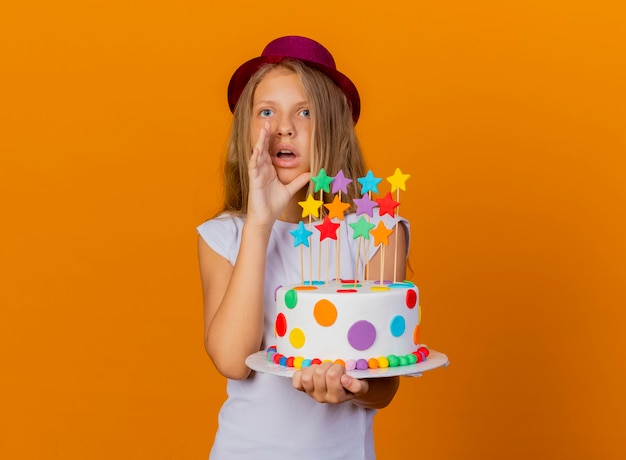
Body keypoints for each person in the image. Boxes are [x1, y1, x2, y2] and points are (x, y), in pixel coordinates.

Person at [197, 35, 409, 460]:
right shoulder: (224, 236)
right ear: (248, 127)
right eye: (266, 111)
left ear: (332, 125)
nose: (283, 126)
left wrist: (353, 389)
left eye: (305, 111)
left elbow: (385, 387)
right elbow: (233, 361)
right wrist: (259, 222)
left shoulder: (377, 233)